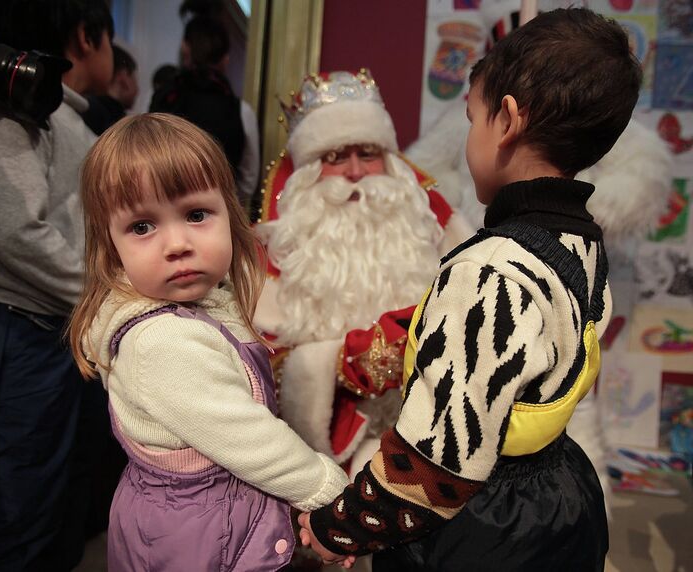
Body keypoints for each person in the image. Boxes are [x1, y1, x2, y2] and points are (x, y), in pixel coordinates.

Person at [298, 8, 640, 570]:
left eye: (472, 117)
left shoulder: (489, 270)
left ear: (506, 121)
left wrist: (337, 527)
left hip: (488, 527)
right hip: (560, 495)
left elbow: (433, 472)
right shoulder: (582, 242)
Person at [68, 113, 350, 571]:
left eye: (196, 215)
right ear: (110, 244)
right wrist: (331, 493)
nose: (176, 243)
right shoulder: (162, 342)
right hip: (198, 540)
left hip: (210, 521)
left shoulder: (206, 303)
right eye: (142, 227)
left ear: (228, 211)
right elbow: (252, 439)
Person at [0, 1, 114, 570]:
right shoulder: (8, 102)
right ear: (88, 38)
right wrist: (107, 299)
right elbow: (14, 231)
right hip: (14, 327)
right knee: (9, 513)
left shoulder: (73, 120)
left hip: (58, 327)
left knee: (58, 501)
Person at [253, 69, 474, 478]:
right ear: (308, 170)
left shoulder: (432, 223)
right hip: (320, 455)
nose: (355, 172)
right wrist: (344, 362)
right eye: (335, 157)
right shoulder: (278, 245)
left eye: (368, 154)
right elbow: (260, 365)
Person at [150, 4, 260, 204]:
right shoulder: (241, 111)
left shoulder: (163, 98)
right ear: (225, 59)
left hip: (162, 210)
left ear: (185, 49)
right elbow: (248, 178)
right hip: (217, 213)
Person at [81, 44, 139, 135]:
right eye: (134, 78)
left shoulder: (86, 108)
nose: (137, 89)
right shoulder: (114, 123)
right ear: (124, 77)